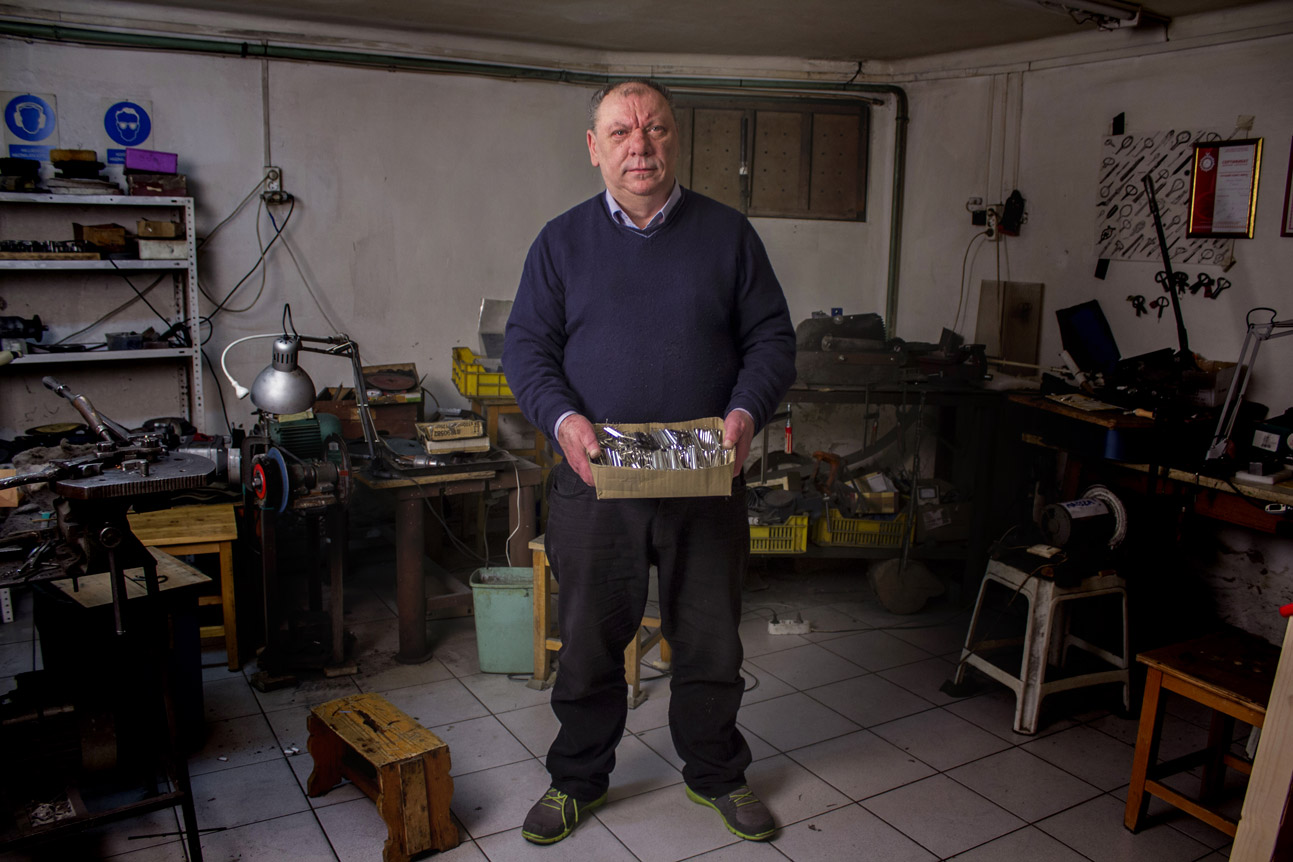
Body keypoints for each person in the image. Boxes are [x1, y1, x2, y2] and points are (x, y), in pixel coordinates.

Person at [503, 78, 796, 845]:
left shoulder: (728, 235)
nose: (642, 145)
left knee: (710, 640)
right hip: (596, 480)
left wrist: (744, 413)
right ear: (595, 148)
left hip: (705, 477)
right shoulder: (559, 241)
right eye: (623, 131)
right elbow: (526, 350)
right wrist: (563, 422)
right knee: (593, 637)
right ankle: (575, 779)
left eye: (657, 129)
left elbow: (771, 340)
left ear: (675, 140)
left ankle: (717, 773)